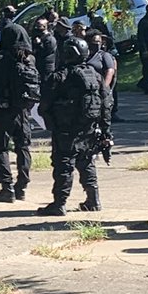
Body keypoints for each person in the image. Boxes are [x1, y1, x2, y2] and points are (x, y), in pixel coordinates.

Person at [38, 37, 110, 215]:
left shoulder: (61, 76)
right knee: (86, 162)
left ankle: (59, 203)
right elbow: (107, 104)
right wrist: (106, 132)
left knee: (64, 164)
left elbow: (44, 104)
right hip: (90, 128)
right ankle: (93, 200)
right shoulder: (96, 76)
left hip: (66, 129)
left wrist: (51, 119)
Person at [0, 23, 38, 202]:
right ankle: (22, 185)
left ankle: (6, 187)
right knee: (23, 147)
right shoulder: (29, 60)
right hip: (22, 110)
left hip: (1, 110)